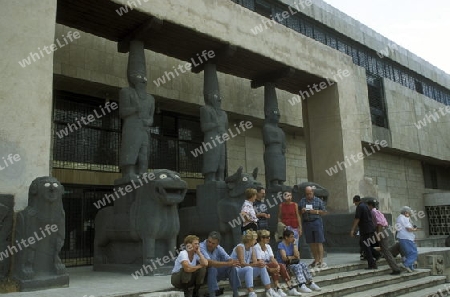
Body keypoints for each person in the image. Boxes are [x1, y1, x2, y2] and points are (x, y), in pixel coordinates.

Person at [119, 40, 155, 181]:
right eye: (139, 76)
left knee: (144, 152)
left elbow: (152, 117)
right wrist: (134, 109)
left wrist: (149, 121)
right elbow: (123, 112)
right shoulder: (126, 92)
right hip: (132, 127)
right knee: (131, 149)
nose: (143, 79)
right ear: (132, 76)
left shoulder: (151, 98)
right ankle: (129, 172)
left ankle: (143, 172)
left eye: (144, 76)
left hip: (144, 129)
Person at [230, 230, 281, 297]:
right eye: (255, 240)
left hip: (246, 271)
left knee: (261, 267)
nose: (256, 241)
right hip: (236, 272)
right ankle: (251, 293)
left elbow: (255, 263)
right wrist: (255, 264)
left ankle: (269, 290)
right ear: (250, 240)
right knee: (249, 268)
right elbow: (242, 264)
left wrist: (261, 263)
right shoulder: (240, 247)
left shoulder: (252, 248)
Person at [200, 63, 228, 182]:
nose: (219, 99)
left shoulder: (224, 113)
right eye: (216, 96)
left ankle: (220, 178)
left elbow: (226, 128)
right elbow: (204, 127)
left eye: (219, 96)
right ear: (210, 97)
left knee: (221, 162)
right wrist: (215, 125)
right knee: (212, 160)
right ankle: (210, 178)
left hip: (221, 139)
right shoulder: (205, 109)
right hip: (211, 138)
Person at [200, 231, 248, 297]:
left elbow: (228, 258)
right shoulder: (202, 246)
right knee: (212, 268)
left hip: (216, 273)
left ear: (217, 244)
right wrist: (227, 263)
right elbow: (209, 262)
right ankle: (212, 294)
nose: (210, 244)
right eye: (209, 241)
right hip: (203, 275)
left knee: (232, 267)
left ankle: (235, 292)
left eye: (213, 243)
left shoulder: (219, 247)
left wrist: (231, 262)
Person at [254, 229, 302, 296]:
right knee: (273, 266)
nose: (269, 238)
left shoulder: (268, 246)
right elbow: (260, 261)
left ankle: (290, 287)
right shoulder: (256, 247)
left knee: (280, 265)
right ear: (261, 238)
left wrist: (277, 265)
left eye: (269, 237)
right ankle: (278, 288)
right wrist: (270, 268)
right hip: (262, 267)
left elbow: (272, 258)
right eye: (267, 237)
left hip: (270, 265)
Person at [276, 229, 321, 293]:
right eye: (291, 237)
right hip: (285, 265)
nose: (293, 238)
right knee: (297, 266)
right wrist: (293, 257)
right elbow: (285, 258)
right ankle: (301, 285)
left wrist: (294, 245)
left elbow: (297, 256)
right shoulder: (281, 245)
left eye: (293, 236)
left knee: (303, 264)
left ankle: (311, 283)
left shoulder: (292, 244)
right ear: (286, 237)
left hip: (293, 262)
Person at [367, 200, 401, 275]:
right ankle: (377, 255)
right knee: (370, 245)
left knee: (386, 251)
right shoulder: (377, 211)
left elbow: (379, 224)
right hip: (383, 230)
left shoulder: (373, 212)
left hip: (381, 231)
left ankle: (395, 269)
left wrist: (378, 234)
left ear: (370, 205)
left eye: (368, 206)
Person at [299, 186, 327, 268]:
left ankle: (321, 260)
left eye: (310, 194)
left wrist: (316, 211)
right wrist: (302, 211)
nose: (308, 195)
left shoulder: (318, 200)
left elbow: (324, 212)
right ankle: (316, 259)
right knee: (311, 243)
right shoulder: (302, 201)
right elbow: (298, 212)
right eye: (307, 194)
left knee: (319, 241)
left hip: (316, 221)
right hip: (307, 222)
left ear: (313, 192)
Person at [350, 196, 377, 270]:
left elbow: (357, 218)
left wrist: (353, 230)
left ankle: (371, 264)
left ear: (355, 201)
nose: (354, 204)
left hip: (365, 230)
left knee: (366, 247)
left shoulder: (359, 207)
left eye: (354, 202)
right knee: (367, 245)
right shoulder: (365, 206)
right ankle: (375, 258)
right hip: (370, 228)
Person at [396, 206, 419, 272]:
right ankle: (405, 265)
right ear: (406, 212)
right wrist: (415, 229)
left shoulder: (399, 217)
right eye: (409, 212)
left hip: (403, 237)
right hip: (406, 238)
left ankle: (410, 267)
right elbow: (408, 229)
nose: (410, 214)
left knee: (408, 253)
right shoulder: (404, 218)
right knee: (414, 253)